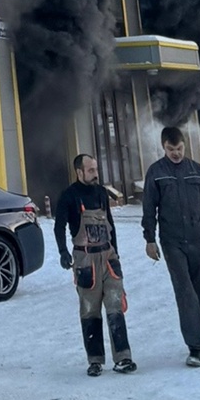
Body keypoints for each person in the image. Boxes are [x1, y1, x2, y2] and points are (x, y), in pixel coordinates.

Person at [53, 152, 136, 377]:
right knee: (90, 311)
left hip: (107, 257)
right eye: (90, 170)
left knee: (115, 306)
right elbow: (58, 226)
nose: (95, 174)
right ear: (79, 172)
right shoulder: (68, 196)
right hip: (85, 260)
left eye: (96, 169)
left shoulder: (101, 193)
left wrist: (116, 253)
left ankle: (123, 357)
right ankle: (95, 360)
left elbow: (110, 224)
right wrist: (62, 252)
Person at [142, 124, 200, 367]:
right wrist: (150, 239)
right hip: (173, 242)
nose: (176, 153)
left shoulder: (197, 171)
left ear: (184, 145)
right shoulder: (156, 173)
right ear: (163, 147)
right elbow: (148, 208)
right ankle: (195, 347)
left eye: (179, 148)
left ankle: (196, 328)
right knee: (185, 292)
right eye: (170, 149)